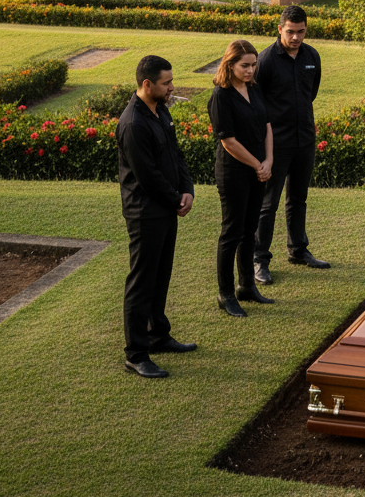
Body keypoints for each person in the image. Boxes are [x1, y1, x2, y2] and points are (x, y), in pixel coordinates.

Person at [117, 55, 196, 379]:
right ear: (147, 84)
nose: (171, 87)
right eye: (166, 83)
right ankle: (136, 354)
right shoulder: (133, 124)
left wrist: (187, 188)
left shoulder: (160, 110)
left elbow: (175, 155)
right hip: (145, 213)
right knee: (142, 282)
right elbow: (147, 176)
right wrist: (176, 198)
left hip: (166, 207)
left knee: (161, 275)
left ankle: (158, 335)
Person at [253, 5, 329, 283]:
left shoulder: (312, 56)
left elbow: (311, 93)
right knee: (268, 203)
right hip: (276, 143)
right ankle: (259, 259)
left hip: (304, 139)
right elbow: (257, 103)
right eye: (290, 32)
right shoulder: (266, 60)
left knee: (298, 198)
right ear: (280, 29)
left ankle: (298, 250)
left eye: (301, 31)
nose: (296, 37)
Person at [208, 39, 275, 317]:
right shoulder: (221, 96)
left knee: (250, 229)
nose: (250, 70)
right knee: (232, 232)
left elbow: (267, 126)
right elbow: (228, 141)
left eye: (253, 65)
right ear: (230, 64)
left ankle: (247, 285)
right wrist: (258, 164)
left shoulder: (254, 88)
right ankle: (225, 294)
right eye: (244, 65)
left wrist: (269, 160)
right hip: (234, 171)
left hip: (258, 168)